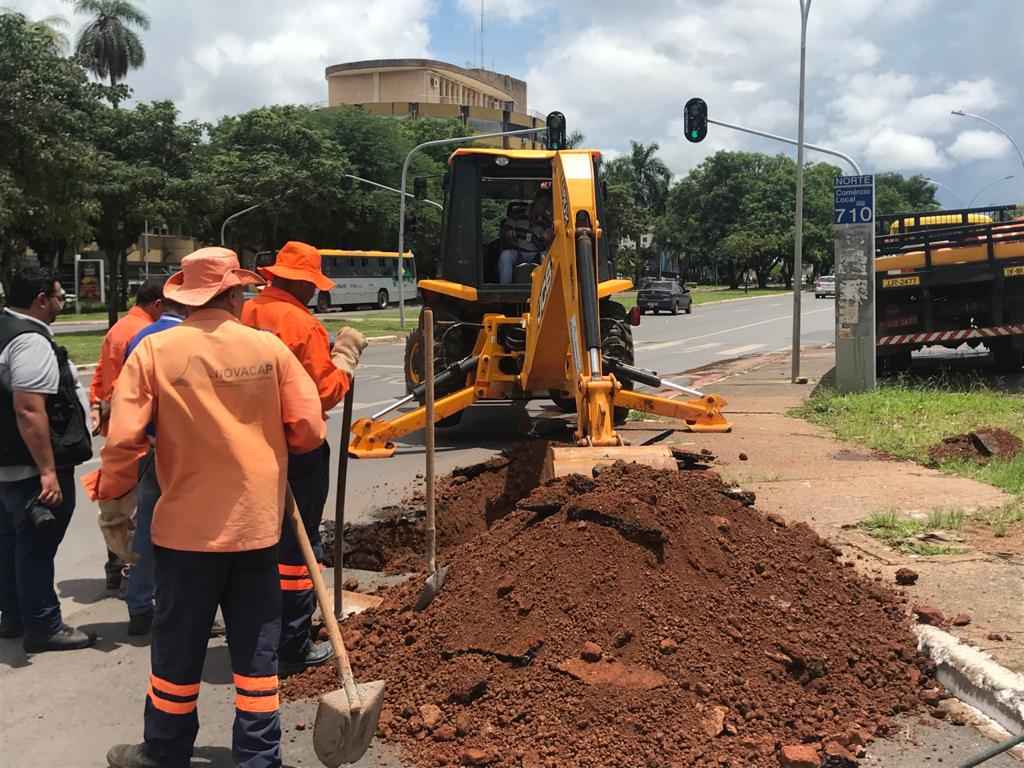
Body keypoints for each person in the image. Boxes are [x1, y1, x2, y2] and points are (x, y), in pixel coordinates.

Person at [86, 248, 327, 768]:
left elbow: (124, 439)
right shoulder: (268, 349)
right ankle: (259, 758)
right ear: (236, 292)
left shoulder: (155, 352)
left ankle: (166, 751)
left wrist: (113, 494)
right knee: (257, 657)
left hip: (184, 536)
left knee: (177, 649)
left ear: (187, 295)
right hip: (256, 529)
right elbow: (309, 430)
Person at [241, 241, 367, 676]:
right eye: (311, 284)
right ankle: (293, 643)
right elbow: (321, 393)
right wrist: (345, 363)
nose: (316, 292)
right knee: (297, 546)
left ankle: (254, 631)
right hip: (297, 449)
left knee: (257, 543)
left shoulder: (244, 314)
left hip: (249, 448)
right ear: (296, 281)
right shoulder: (301, 325)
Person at [0, 267, 96, 652]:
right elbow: (29, 409)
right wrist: (47, 471)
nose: (61, 304)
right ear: (41, 298)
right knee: (36, 544)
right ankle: (43, 626)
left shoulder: (5, 327)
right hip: (29, 466)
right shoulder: (29, 340)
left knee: (10, 543)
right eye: (59, 297)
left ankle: (15, 616)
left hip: (7, 463)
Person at [119, 292, 189, 636]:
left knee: (146, 529)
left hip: (150, 448)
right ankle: (184, 608)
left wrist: (147, 434)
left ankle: (140, 605)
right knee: (191, 533)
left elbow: (129, 395)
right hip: (186, 452)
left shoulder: (139, 339)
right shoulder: (187, 340)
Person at [90, 277, 165, 592]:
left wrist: (98, 408)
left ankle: (117, 568)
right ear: (158, 305)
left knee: (118, 504)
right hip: (137, 436)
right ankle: (137, 581)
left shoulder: (118, 328)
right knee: (138, 513)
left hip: (118, 432)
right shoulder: (142, 334)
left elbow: (99, 374)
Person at [498, 189, 554, 284]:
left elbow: (549, 242)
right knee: (505, 256)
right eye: (542, 203)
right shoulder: (517, 213)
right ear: (536, 200)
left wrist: (547, 239)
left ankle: (545, 291)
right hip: (518, 252)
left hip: (537, 253)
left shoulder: (547, 220)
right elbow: (506, 230)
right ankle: (505, 289)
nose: (544, 207)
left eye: (547, 205)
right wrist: (509, 234)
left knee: (547, 257)